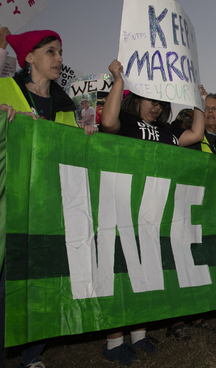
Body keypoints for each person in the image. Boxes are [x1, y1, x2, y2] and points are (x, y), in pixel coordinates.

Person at [0, 29, 97, 368]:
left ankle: (31, 356)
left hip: (48, 203)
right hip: (9, 203)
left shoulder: (66, 104)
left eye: (61, 53)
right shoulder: (4, 89)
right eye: (51, 52)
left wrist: (83, 135)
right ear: (29, 58)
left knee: (45, 276)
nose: (59, 59)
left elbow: (70, 151)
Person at [99, 60, 205, 364]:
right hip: (122, 212)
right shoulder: (127, 124)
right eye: (150, 100)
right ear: (136, 99)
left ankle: (138, 336)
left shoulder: (168, 132)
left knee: (145, 276)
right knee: (122, 275)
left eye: (160, 102)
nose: (156, 107)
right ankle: (113, 342)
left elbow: (196, 134)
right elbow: (107, 123)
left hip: (153, 215)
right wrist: (118, 80)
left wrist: (197, 100)